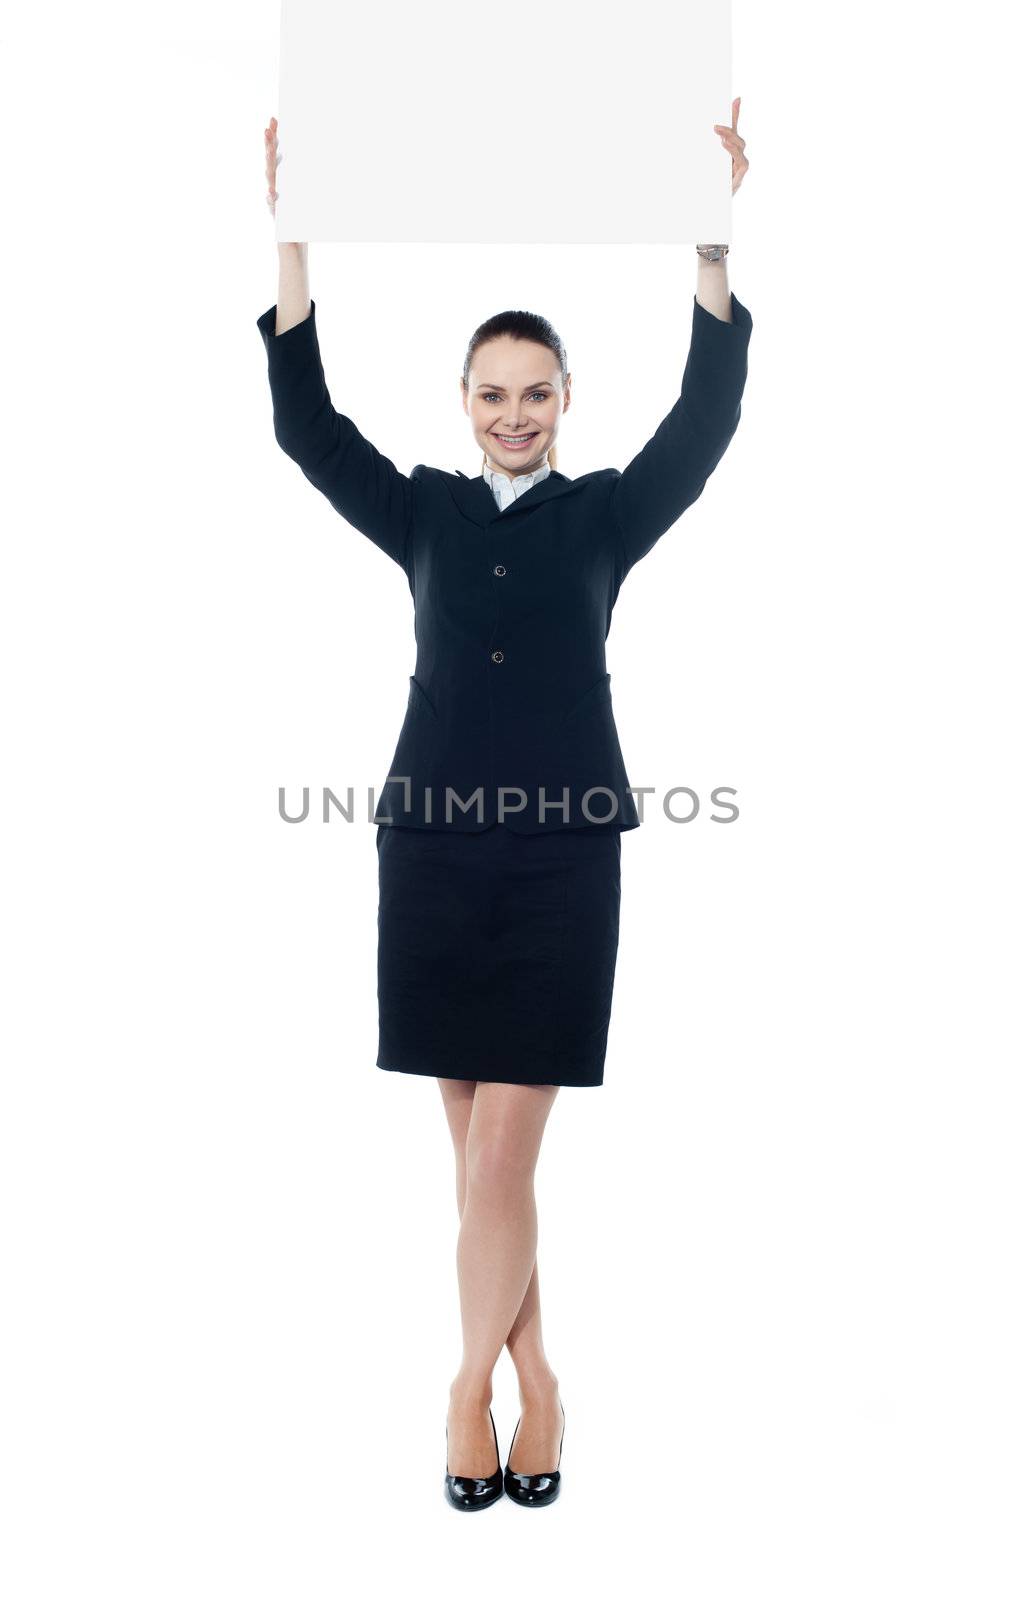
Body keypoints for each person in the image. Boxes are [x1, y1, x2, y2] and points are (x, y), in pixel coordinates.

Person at [257, 102, 751, 1510]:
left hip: (558, 862)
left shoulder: (604, 518)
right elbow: (305, 426)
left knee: (500, 1150)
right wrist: (294, 234)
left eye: (536, 391)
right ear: (463, 399)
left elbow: (705, 420)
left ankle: (468, 1389)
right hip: (425, 852)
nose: (514, 413)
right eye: (492, 392)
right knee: (474, 1158)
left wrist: (709, 240)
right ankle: (544, 1381)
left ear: (565, 400)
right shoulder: (417, 510)